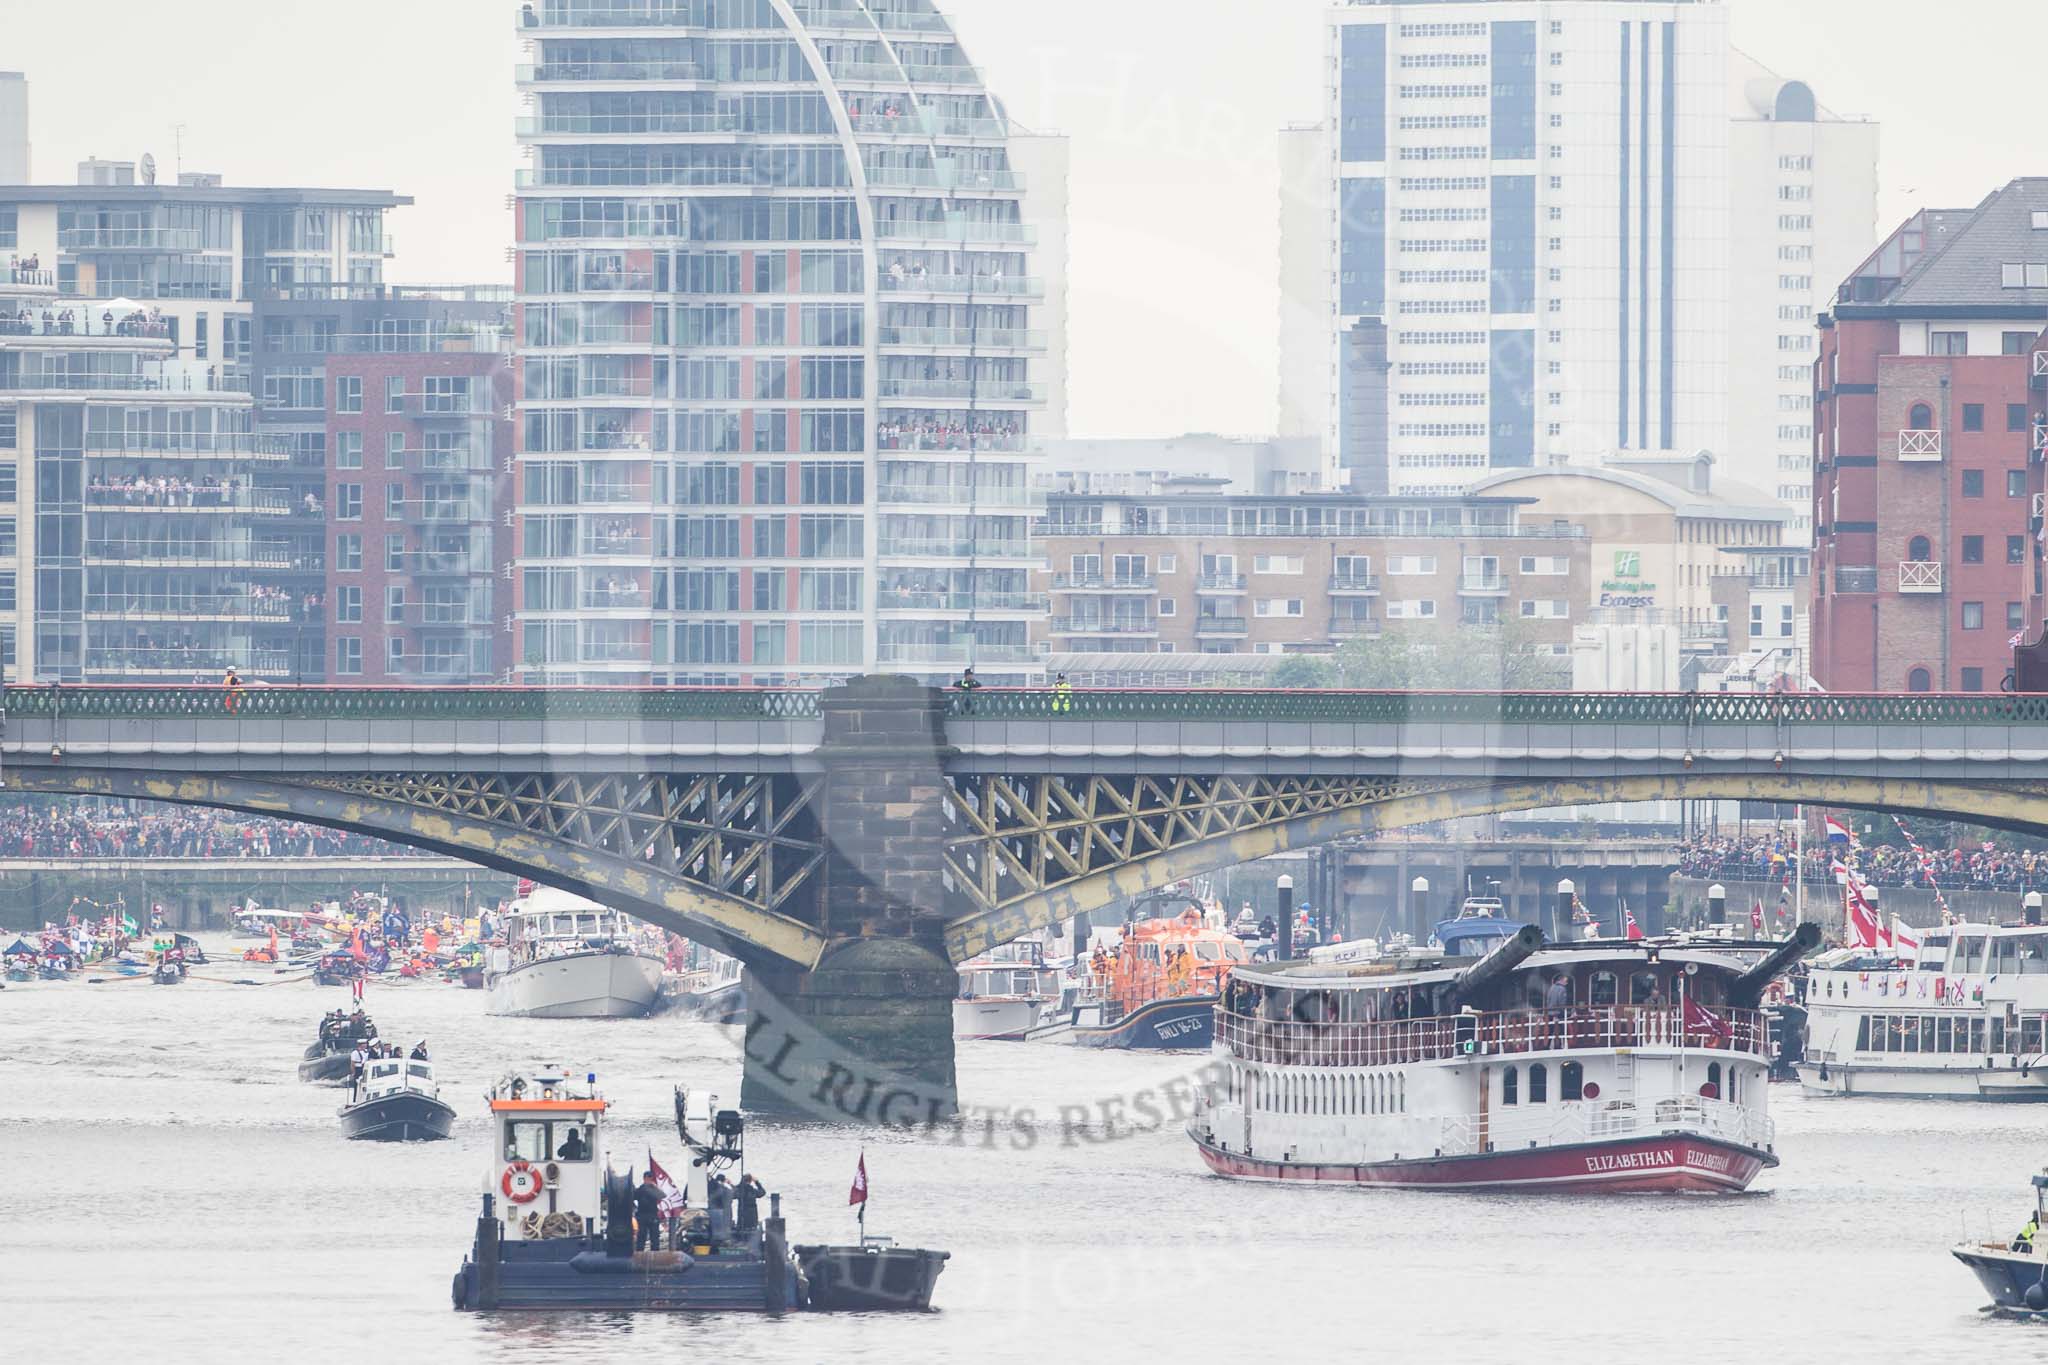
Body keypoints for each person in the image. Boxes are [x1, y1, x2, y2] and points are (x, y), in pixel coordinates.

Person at [635, 1171, 664, 1251]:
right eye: (647, 1178)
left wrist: (655, 1187)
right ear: (644, 1178)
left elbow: (662, 1196)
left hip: (653, 1215)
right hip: (642, 1215)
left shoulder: (654, 1189)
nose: (649, 1180)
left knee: (655, 1237)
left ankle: (655, 1254)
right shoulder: (640, 1189)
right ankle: (639, 1254)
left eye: (650, 1178)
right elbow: (633, 1197)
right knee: (641, 1236)